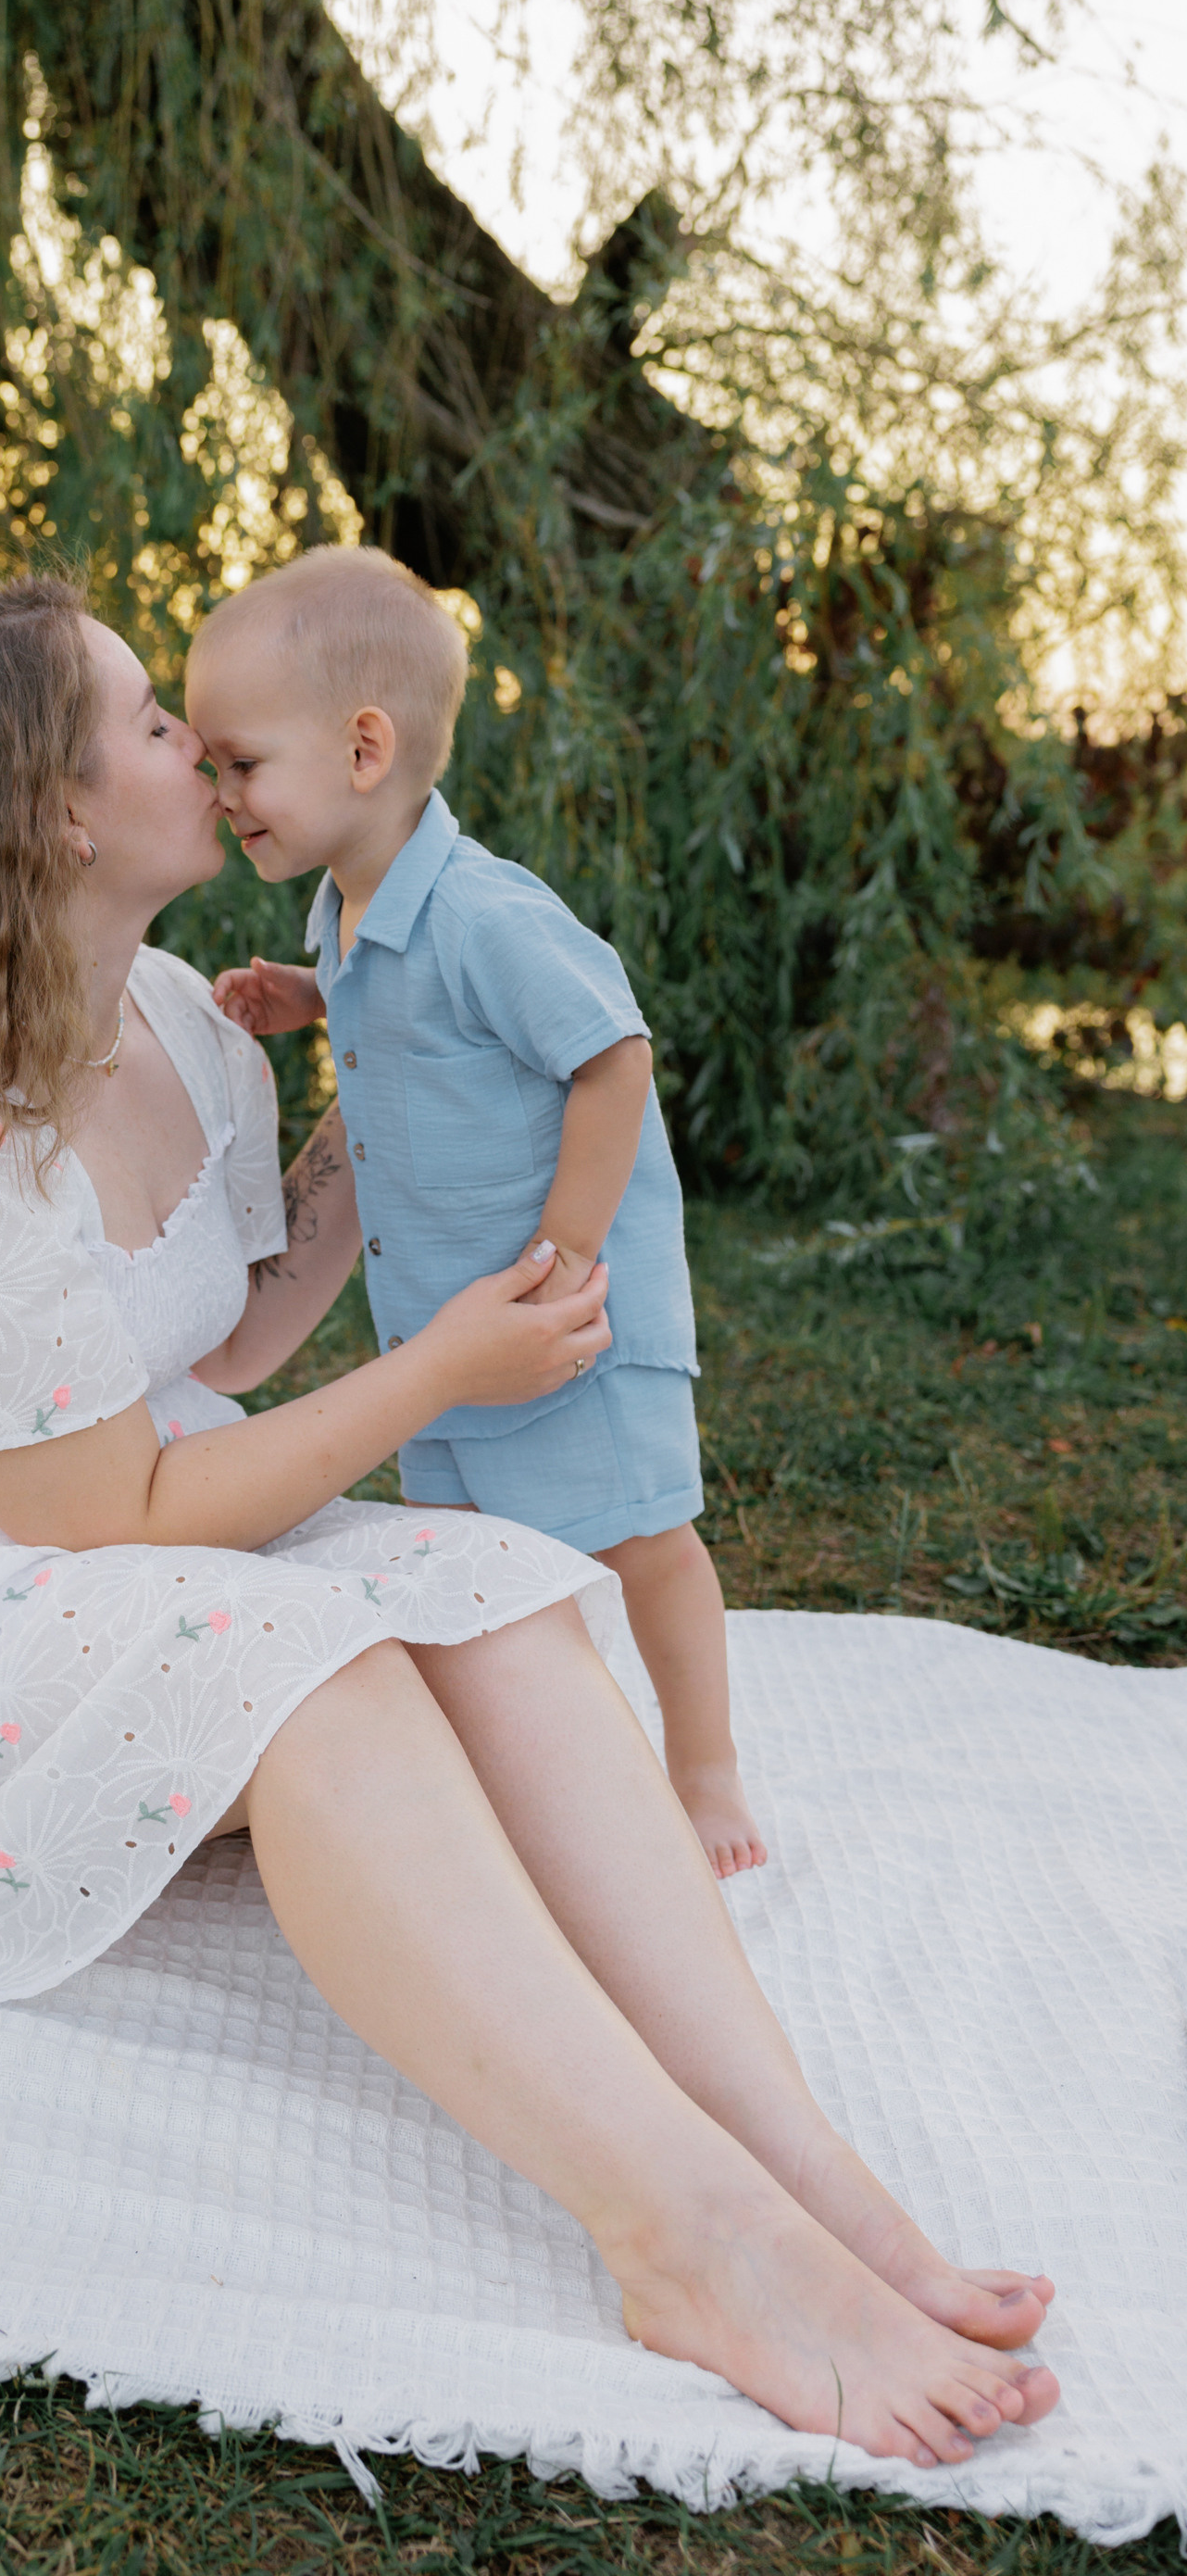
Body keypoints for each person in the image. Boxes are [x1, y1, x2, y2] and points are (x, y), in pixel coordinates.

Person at [0, 572, 1058, 2469]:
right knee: (320, 1677)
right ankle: (681, 2231)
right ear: (61, 814)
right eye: (152, 724)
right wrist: (431, 1382)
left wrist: (373, 1110)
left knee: (492, 1602)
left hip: (124, 1507)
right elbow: (110, 1513)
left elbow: (226, 1338)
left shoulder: (182, 1018)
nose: (200, 744)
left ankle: (800, 2159)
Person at [193, 545, 765, 1878]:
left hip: (570, 1317)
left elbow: (611, 1053)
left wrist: (567, 1244)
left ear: (364, 747)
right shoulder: (353, 908)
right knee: (467, 1556)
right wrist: (306, 992)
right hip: (446, 1331)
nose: (221, 796)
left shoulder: (492, 916)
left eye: (242, 764)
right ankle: (520, 1755)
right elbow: (403, 1004)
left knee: (645, 1537)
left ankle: (704, 1761)